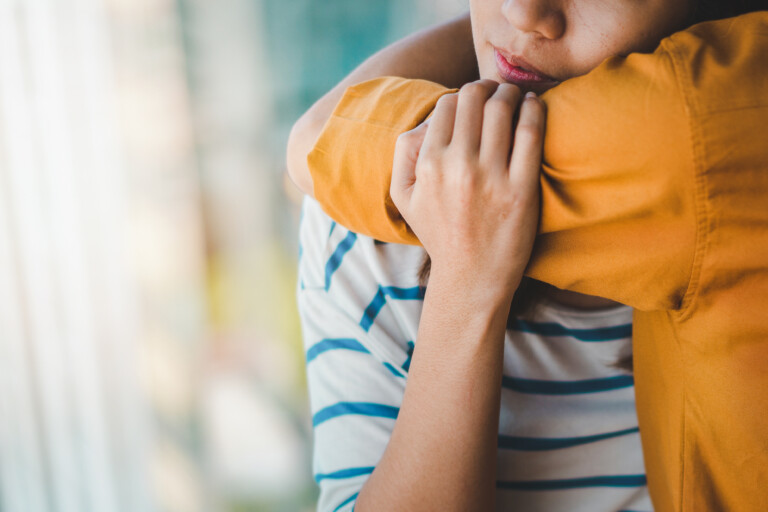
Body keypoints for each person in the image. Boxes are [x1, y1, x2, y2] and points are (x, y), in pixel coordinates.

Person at [288, 4, 768, 512]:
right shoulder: (367, 245)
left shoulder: (722, 149)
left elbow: (316, 145)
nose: (523, 10)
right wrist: (466, 292)